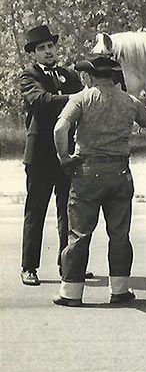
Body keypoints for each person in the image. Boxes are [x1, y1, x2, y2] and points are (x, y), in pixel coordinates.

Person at [52, 53, 146, 307]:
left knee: (78, 234)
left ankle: (71, 293)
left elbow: (59, 129)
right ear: (113, 76)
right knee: (119, 234)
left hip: (87, 172)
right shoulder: (129, 101)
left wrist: (65, 157)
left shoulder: (80, 99)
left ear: (89, 76)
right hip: (120, 173)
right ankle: (119, 290)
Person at [18, 24, 84, 286]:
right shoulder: (28, 76)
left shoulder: (68, 75)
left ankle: (67, 264)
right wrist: (76, 99)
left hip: (66, 152)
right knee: (36, 211)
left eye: (50, 47)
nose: (48, 52)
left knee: (67, 211)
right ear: (34, 53)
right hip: (40, 155)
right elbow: (41, 102)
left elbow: (86, 102)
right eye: (42, 48)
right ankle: (29, 267)